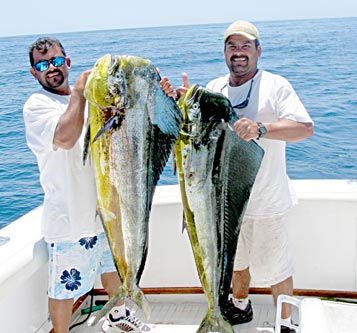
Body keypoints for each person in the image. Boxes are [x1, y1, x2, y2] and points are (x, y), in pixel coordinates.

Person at [23, 37, 174, 333]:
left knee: (113, 269)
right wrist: (79, 91)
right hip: (70, 218)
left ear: (67, 62)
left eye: (55, 61)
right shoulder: (38, 105)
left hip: (106, 209)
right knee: (64, 288)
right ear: (34, 73)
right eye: (42, 65)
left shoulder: (94, 100)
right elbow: (65, 138)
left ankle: (118, 318)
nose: (51, 68)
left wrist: (161, 96)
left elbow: (141, 126)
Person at [175, 21, 314, 333]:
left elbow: (305, 128)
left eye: (245, 46)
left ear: (258, 50)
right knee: (235, 264)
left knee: (277, 268)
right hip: (224, 204)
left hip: (267, 199)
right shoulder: (214, 88)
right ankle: (240, 306)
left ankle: (286, 322)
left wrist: (261, 128)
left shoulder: (276, 85)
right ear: (224, 52)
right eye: (232, 46)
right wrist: (182, 101)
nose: (238, 52)